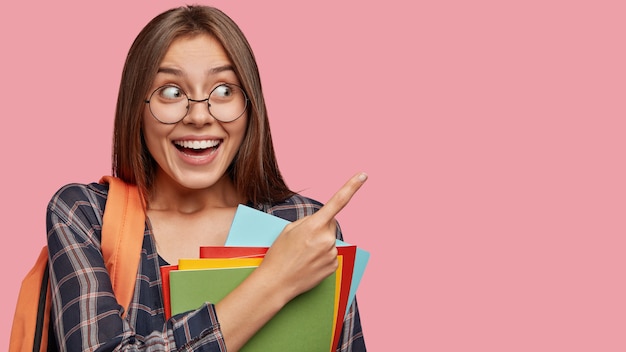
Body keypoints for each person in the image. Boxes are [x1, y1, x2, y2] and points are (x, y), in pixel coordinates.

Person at [46, 5, 367, 351]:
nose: (199, 116)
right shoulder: (85, 214)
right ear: (135, 108)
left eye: (224, 91)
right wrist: (275, 281)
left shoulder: (304, 225)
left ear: (251, 105)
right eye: (171, 92)